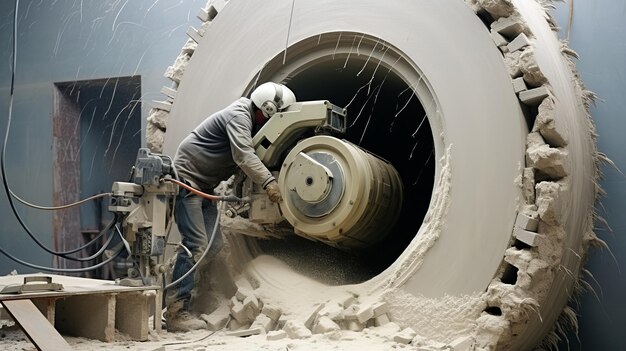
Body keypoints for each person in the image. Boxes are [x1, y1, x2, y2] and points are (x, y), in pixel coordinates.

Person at [164, 82, 297, 332]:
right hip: (187, 179)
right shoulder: (240, 115)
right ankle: (175, 312)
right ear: (263, 109)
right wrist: (269, 182)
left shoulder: (248, 118)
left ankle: (188, 299)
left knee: (212, 246)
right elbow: (243, 155)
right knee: (196, 244)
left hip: (205, 186)